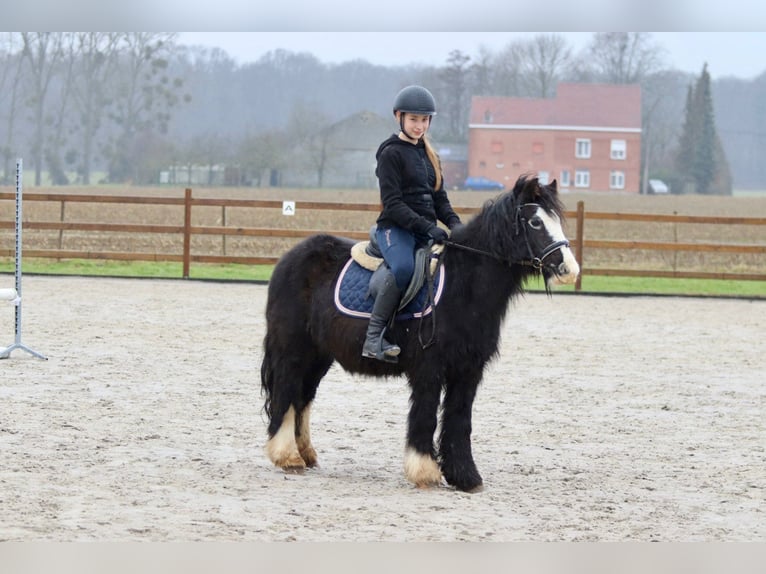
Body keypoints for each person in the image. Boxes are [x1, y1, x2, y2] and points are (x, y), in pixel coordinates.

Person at [362, 85, 462, 363]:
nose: (419, 126)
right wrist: (427, 227)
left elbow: (439, 198)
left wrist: (456, 224)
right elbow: (393, 204)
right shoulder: (390, 154)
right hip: (395, 229)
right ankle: (373, 338)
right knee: (404, 268)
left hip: (423, 230)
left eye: (424, 120)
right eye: (414, 120)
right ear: (399, 117)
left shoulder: (430, 155)